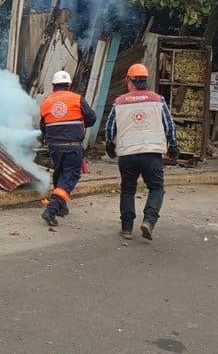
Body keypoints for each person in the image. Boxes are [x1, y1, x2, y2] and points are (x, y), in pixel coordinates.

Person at [105, 63, 178, 241]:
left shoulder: (119, 102)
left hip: (127, 155)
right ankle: (149, 221)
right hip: (152, 154)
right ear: (145, 80)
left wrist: (109, 146)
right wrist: (173, 145)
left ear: (129, 80)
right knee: (156, 188)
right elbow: (169, 125)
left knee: (128, 189)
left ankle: (127, 228)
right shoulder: (158, 100)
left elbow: (110, 128)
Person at [39, 70, 96, 227]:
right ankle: (51, 209)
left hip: (55, 148)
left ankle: (61, 207)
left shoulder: (46, 102)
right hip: (72, 147)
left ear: (53, 86)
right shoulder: (77, 99)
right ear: (69, 85)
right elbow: (92, 117)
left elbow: (43, 126)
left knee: (59, 174)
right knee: (69, 177)